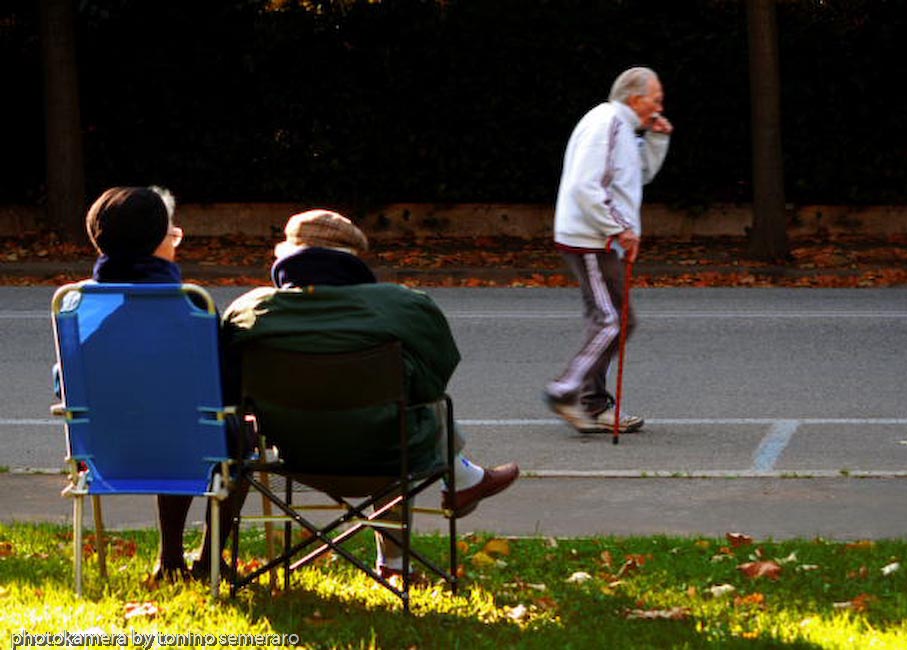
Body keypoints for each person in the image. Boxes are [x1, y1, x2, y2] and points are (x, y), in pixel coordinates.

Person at [220, 209, 520, 581]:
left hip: (292, 456)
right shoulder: (403, 305)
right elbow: (433, 381)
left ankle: (461, 485)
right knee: (408, 413)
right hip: (388, 454)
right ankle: (420, 534)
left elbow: (228, 388)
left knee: (391, 419)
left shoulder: (249, 310)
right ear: (353, 260)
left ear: (285, 258)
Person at [76, 186, 245, 581]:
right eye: (173, 234)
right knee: (228, 431)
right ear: (155, 242)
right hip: (186, 448)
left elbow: (65, 385)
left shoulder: (81, 303)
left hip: (106, 454)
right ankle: (208, 559)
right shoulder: (191, 305)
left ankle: (170, 561)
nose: (176, 242)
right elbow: (223, 387)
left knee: (172, 423)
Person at [544, 66, 673, 434]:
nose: (659, 107)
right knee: (613, 320)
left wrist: (656, 140)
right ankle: (567, 391)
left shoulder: (621, 126)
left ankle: (590, 402)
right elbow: (587, 187)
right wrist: (620, 228)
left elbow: (638, 175)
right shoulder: (607, 124)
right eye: (655, 100)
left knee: (610, 319)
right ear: (635, 98)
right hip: (591, 238)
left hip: (598, 237)